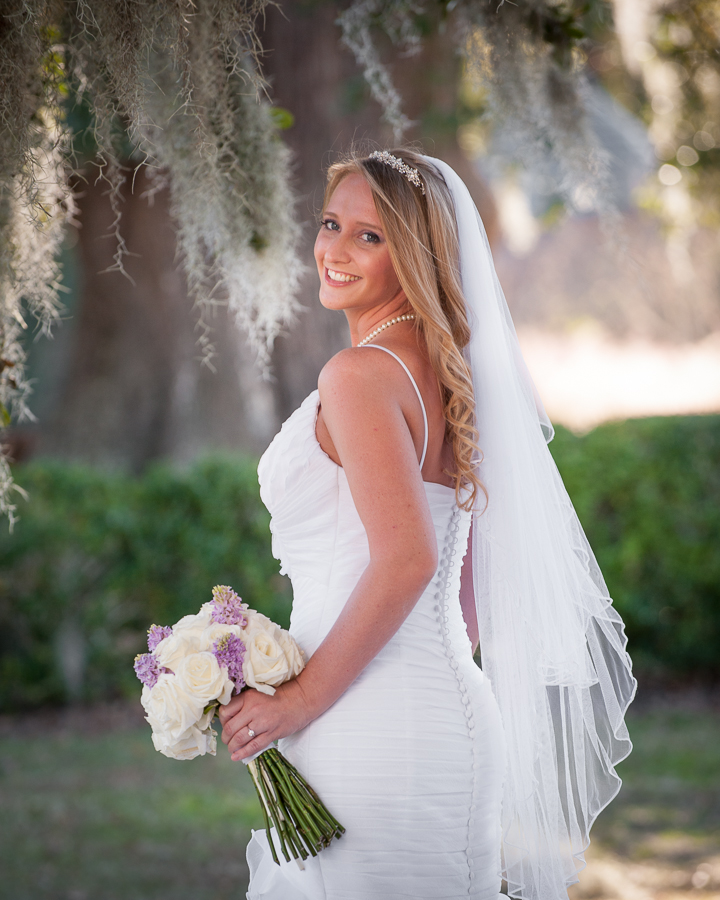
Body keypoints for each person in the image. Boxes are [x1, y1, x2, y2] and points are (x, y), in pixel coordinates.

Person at [218, 149, 636, 900]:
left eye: (369, 236)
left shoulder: (360, 376)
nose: (335, 250)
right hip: (438, 714)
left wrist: (302, 700)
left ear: (415, 253)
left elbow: (409, 560)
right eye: (330, 224)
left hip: (367, 728)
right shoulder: (446, 376)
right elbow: (465, 567)